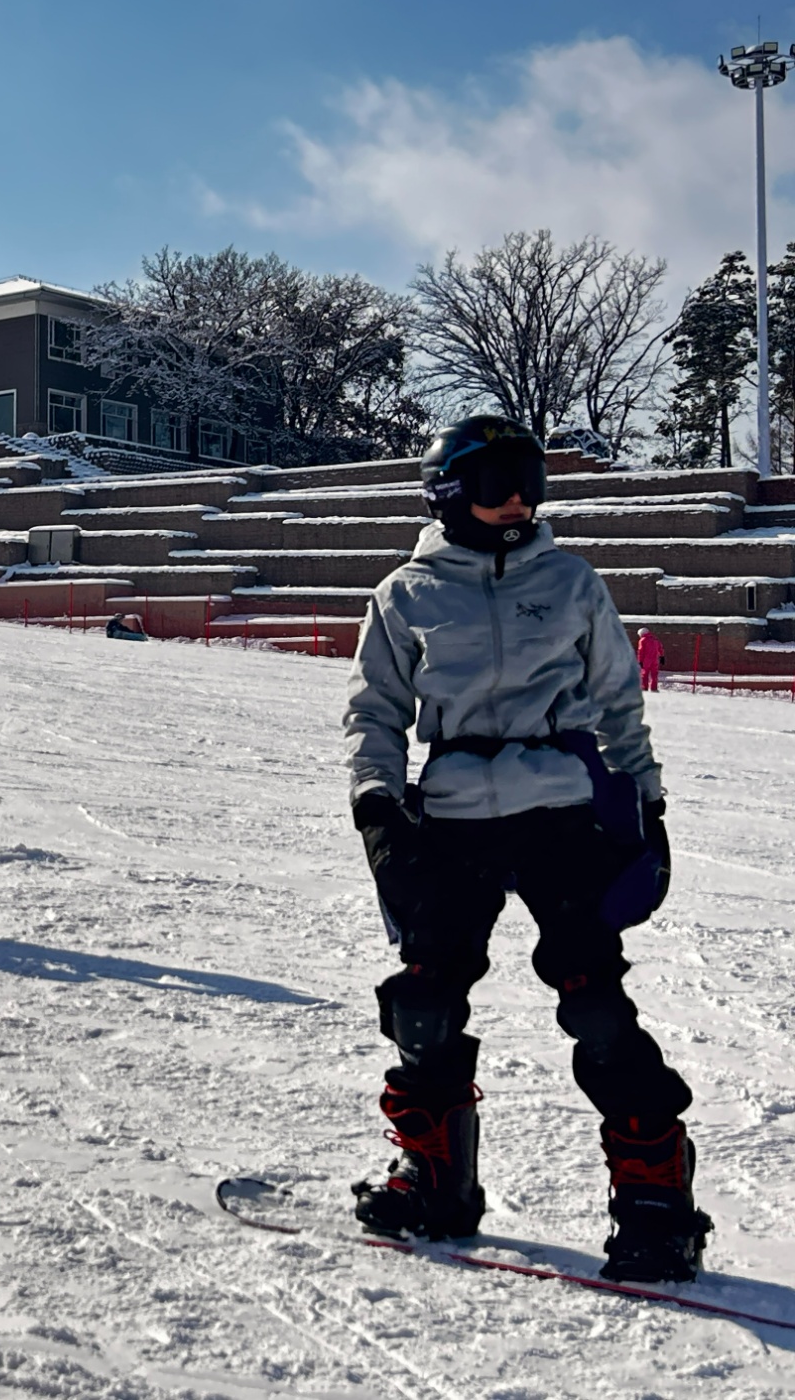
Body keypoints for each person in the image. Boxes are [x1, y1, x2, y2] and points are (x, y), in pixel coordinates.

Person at [344, 415, 706, 1284]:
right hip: (453, 816)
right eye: (496, 481)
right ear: (447, 491)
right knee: (425, 1005)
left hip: (560, 813)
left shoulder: (572, 582)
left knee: (595, 1006)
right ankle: (435, 1180)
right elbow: (375, 713)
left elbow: (620, 703)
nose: (517, 500)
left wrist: (646, 808)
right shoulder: (406, 593)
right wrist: (377, 810)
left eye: (530, 482)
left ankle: (658, 1207)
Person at [636, 627, 665, 693]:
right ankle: (654, 689)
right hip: (655, 660)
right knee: (654, 675)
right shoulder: (655, 639)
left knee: (644, 675)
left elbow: (641, 651)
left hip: (646, 660)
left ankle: (644, 688)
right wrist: (662, 656)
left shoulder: (643, 640)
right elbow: (660, 648)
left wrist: (640, 661)